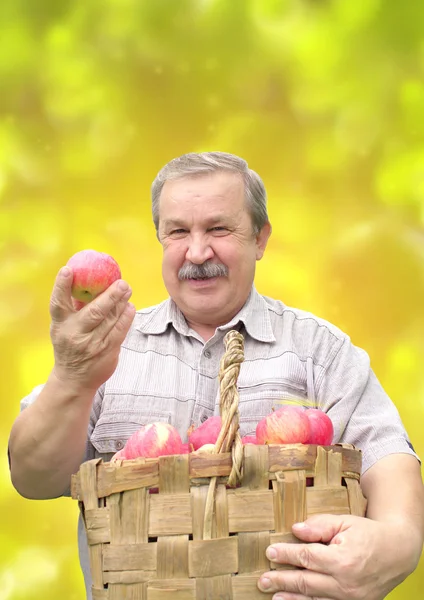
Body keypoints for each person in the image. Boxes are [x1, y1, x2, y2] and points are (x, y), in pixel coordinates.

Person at [8, 152, 423, 600]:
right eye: (179, 231)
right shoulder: (107, 344)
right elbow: (33, 479)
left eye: (219, 229)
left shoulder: (320, 350)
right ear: (160, 239)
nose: (198, 251)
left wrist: (399, 540)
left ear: (260, 239)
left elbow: (386, 454)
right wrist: (72, 377)